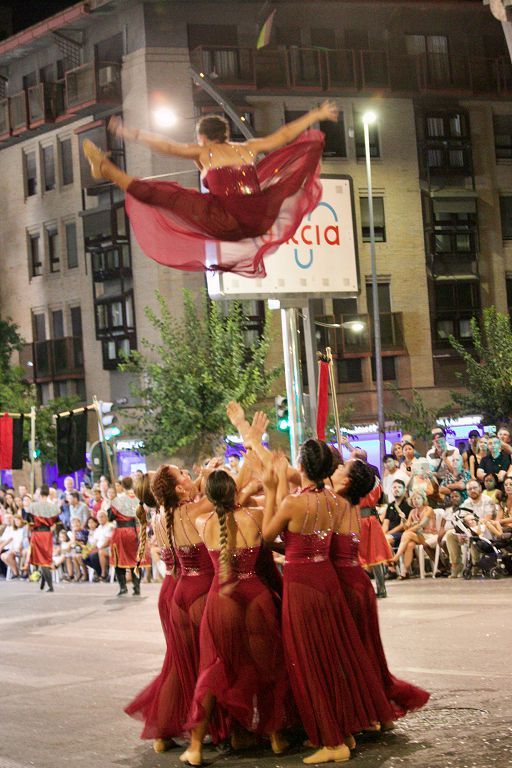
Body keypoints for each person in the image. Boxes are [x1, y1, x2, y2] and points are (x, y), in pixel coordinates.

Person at [82, 102, 338, 278]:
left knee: (162, 195)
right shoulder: (248, 148)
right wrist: (316, 114)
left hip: (225, 219)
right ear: (225, 134)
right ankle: (104, 168)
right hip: (257, 218)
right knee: (167, 196)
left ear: (202, 137)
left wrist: (130, 132)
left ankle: (106, 169)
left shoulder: (205, 151)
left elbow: (167, 147)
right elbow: (284, 134)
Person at [262, 439, 398, 766]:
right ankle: (342, 730)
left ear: (304, 465)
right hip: (327, 581)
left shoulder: (295, 503)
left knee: (309, 661)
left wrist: (271, 490)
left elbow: (266, 536)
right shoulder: (335, 503)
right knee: (332, 656)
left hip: (302, 584)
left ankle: (333, 741)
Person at [183, 469, 290, 766]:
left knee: (214, 670)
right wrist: (264, 484)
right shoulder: (254, 515)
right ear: (234, 491)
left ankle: (194, 746)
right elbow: (273, 524)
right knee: (267, 665)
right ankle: (275, 736)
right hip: (257, 596)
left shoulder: (200, 522)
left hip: (221, 599)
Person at [125, 465, 215, 756]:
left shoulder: (160, 516)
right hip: (196, 588)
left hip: (173, 590)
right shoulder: (190, 512)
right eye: (183, 475)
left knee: (179, 663)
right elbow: (220, 494)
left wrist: (199, 478)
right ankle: (205, 727)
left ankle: (168, 728)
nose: (189, 475)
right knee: (206, 662)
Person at [330, 459, 430, 719]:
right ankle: (376, 713)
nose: (337, 468)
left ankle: (365, 712)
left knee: (353, 652)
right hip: (357, 583)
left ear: (348, 481)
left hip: (347, 584)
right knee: (365, 651)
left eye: (342, 467)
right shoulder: (348, 505)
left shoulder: (337, 505)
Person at [391, 489, 437, 579]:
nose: (416, 501)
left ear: (423, 499)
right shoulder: (412, 512)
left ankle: (395, 558)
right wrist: (403, 519)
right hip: (417, 536)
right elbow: (406, 527)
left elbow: (421, 525)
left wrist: (408, 530)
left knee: (407, 534)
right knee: (410, 544)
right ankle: (404, 572)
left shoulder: (429, 509)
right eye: (414, 499)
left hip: (429, 536)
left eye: (418, 498)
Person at [107, 477, 141, 596]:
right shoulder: (138, 499)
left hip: (122, 531)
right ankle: (137, 587)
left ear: (122, 486)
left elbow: (111, 517)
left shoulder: (119, 500)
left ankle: (123, 587)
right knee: (134, 558)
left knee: (118, 559)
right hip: (135, 530)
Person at [27, 485, 60, 592]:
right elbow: (57, 522)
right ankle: (44, 582)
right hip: (47, 533)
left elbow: (29, 522)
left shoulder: (33, 506)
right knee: (44, 559)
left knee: (43, 560)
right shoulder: (53, 507)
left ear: (40, 494)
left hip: (38, 534)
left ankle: (50, 586)